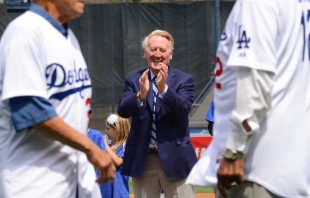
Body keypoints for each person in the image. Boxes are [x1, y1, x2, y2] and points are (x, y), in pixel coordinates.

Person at [188, 0, 310, 198]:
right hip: (292, 167)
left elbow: (254, 81)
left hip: (256, 168)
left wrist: (234, 151)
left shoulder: (256, 4)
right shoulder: (300, 6)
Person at [0, 0, 115, 197]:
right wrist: (91, 148)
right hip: (34, 182)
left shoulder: (68, 36)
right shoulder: (23, 32)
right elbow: (31, 110)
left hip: (76, 179)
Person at [117, 29, 197, 198]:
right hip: (144, 160)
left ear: (170, 55)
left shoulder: (184, 80)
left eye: (162, 50)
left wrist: (164, 89)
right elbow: (123, 110)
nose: (158, 54)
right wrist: (140, 94)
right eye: (153, 49)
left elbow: (184, 108)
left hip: (176, 159)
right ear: (145, 53)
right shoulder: (133, 80)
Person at [100, 114, 130, 198]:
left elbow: (118, 162)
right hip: (107, 188)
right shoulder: (110, 146)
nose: (106, 131)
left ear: (116, 130)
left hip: (119, 190)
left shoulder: (124, 145)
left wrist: (105, 145)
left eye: (108, 129)